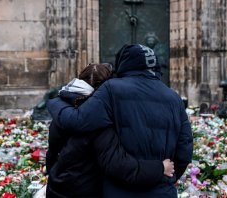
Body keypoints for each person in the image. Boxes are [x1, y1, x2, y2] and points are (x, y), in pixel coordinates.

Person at [47, 44, 193, 198]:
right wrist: (165, 177)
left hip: (119, 189)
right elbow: (185, 147)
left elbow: (78, 121)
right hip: (162, 190)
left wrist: (56, 101)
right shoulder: (174, 98)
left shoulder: (112, 89)